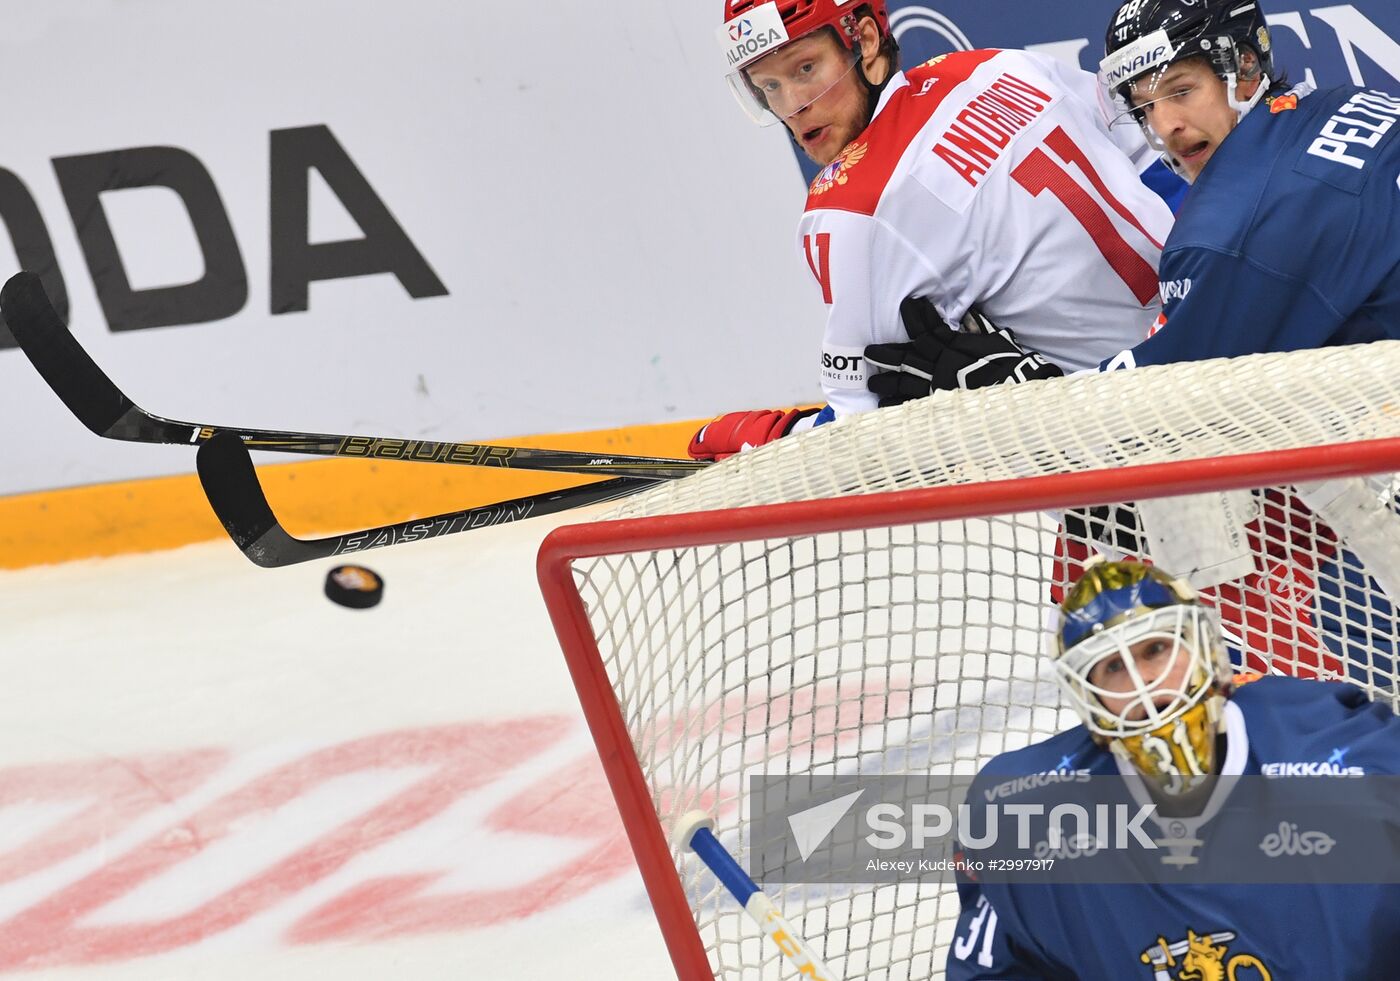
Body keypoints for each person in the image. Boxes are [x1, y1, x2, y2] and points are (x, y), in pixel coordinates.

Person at [687, 0, 1176, 460]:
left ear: (866, 40)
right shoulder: (994, 67)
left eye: (805, 69)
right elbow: (1165, 169)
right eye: (769, 86)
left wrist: (772, 439)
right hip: (1224, 363)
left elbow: (857, 442)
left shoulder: (852, 209)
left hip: (1124, 447)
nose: (792, 106)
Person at [946, 558, 1400, 979]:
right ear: (1087, 696)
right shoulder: (1020, 812)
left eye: (1156, 649)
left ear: (1206, 649)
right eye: (1111, 667)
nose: (1143, 682)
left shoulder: (1355, 755)